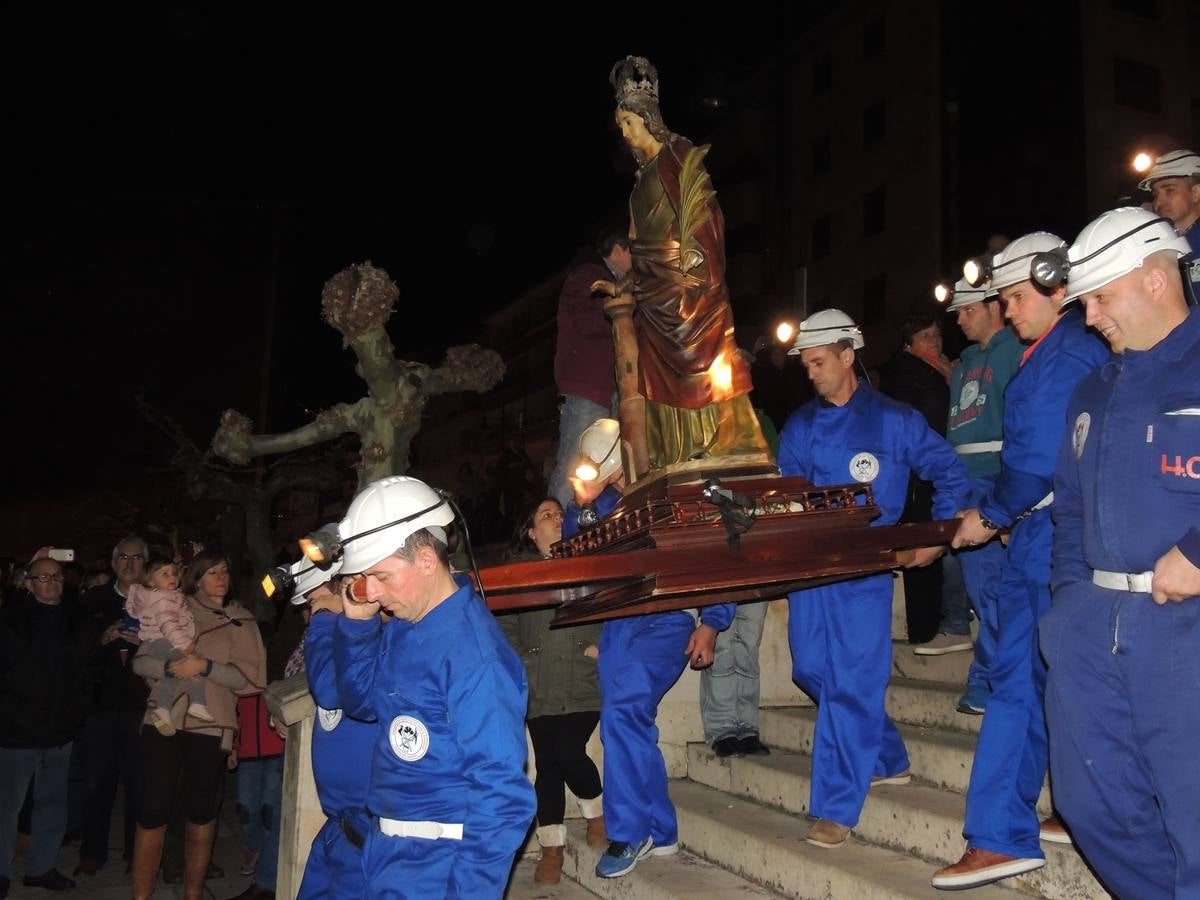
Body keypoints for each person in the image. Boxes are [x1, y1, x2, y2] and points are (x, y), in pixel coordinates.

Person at [933, 232, 1109, 890]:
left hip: (1046, 538)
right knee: (1057, 679)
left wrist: (993, 516)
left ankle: (1000, 835)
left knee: (1015, 683)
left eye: (1013, 297)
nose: (1007, 311)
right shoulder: (1073, 349)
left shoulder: (1057, 358)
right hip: (1069, 535)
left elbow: (1032, 464)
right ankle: (1078, 808)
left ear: (1055, 283)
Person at [1038, 207, 1198, 899]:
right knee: (1090, 802)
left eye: (1101, 297)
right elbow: (1069, 508)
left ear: (1156, 280)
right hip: (1092, 624)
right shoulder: (1091, 389)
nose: (1090, 316)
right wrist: (1069, 603)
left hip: (1183, 630)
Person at [779, 309, 970, 850]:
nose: (810, 373)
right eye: (806, 365)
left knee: (850, 685)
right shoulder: (798, 426)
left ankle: (837, 805)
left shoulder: (894, 419)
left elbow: (949, 471)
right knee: (812, 670)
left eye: (818, 362)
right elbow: (785, 501)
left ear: (847, 355)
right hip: (812, 573)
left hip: (867, 573)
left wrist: (936, 536)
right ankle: (887, 754)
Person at [333, 476, 535, 899]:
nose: (371, 591)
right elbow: (359, 703)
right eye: (365, 578)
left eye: (382, 576)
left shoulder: (475, 657)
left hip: (436, 862)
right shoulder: (407, 623)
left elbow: (502, 796)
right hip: (387, 849)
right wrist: (355, 624)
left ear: (426, 560)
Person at [564, 418, 735, 878]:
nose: (586, 475)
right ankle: (662, 828)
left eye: (593, 467)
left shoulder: (664, 492)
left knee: (622, 716)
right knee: (629, 726)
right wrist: (581, 506)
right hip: (619, 624)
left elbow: (709, 552)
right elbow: (570, 552)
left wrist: (713, 622)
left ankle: (630, 831)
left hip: (666, 619)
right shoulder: (595, 507)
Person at [593, 56, 768, 468]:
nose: (625, 132)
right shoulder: (638, 185)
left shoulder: (678, 156)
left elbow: (704, 209)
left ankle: (724, 443)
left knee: (705, 364)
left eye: (629, 123)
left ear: (648, 119)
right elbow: (636, 244)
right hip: (654, 293)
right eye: (620, 126)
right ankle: (677, 451)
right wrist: (624, 285)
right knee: (658, 376)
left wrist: (695, 252)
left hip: (688, 283)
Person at [129, 551, 267, 900]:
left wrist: (205, 668)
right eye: (211, 572)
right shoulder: (172, 607)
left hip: (211, 724)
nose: (221, 577)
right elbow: (141, 663)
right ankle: (141, 895)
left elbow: (251, 681)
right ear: (196, 578)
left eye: (224, 571)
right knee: (154, 806)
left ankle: (193, 894)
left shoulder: (241, 620)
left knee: (203, 809)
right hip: (165, 720)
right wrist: (174, 670)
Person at [915, 280, 1023, 717]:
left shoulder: (1016, 351)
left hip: (1004, 481)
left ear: (994, 306)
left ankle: (993, 678)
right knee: (982, 589)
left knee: (1002, 590)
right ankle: (987, 675)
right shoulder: (962, 367)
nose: (959, 320)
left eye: (967, 310)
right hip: (966, 483)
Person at [502, 498, 606, 885]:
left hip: (582, 679)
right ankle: (552, 849)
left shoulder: (589, 561)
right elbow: (506, 623)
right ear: (531, 531)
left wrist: (601, 647)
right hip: (540, 682)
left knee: (566, 751)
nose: (557, 518)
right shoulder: (520, 573)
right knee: (546, 763)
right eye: (546, 515)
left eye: (560, 513)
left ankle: (596, 815)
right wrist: (522, 661)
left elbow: (614, 606)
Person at [0, 557, 95, 896]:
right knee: (7, 805)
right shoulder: (11, 621)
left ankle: (41, 867)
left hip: (60, 731)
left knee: (54, 802)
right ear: (29, 584)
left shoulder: (78, 620)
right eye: (43, 577)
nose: (52, 582)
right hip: (16, 731)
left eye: (57, 576)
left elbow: (86, 673)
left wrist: (74, 715)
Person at [288, 556, 374, 900]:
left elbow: (328, 688)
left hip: (366, 834)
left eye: (315, 600)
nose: (313, 613)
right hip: (338, 828)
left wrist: (325, 618)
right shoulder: (339, 641)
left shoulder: (373, 640)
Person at [75, 537, 150, 878]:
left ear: (145, 563)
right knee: (95, 783)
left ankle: (137, 854)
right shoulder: (92, 601)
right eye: (123, 556)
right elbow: (74, 652)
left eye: (137, 557)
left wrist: (147, 641)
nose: (130, 563)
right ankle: (92, 852)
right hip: (100, 706)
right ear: (113, 561)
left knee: (139, 784)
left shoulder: (159, 600)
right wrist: (101, 640)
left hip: (141, 705)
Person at [880, 313, 954, 645]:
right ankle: (925, 627)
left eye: (936, 334)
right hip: (917, 478)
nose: (934, 342)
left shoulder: (939, 369)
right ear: (909, 343)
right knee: (925, 548)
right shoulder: (909, 373)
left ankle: (930, 622)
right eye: (925, 336)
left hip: (930, 473)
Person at [546, 232, 631, 508]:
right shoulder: (587, 275)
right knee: (575, 464)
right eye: (634, 252)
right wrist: (626, 313)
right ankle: (557, 539)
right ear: (619, 249)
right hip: (588, 387)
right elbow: (588, 321)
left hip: (610, 387)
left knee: (611, 463)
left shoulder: (608, 280)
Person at [125, 557, 213, 735]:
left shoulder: (163, 596)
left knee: (171, 674)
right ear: (150, 580)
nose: (171, 577)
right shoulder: (165, 599)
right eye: (164, 574)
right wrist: (185, 645)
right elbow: (168, 624)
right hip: (167, 642)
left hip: (157, 643)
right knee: (191, 666)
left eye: (173, 573)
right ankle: (197, 702)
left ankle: (162, 709)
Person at [1138, 149, 1200, 262]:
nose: (1158, 203)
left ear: (1196, 192)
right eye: (1155, 194)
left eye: (1169, 190)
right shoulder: (1156, 245)